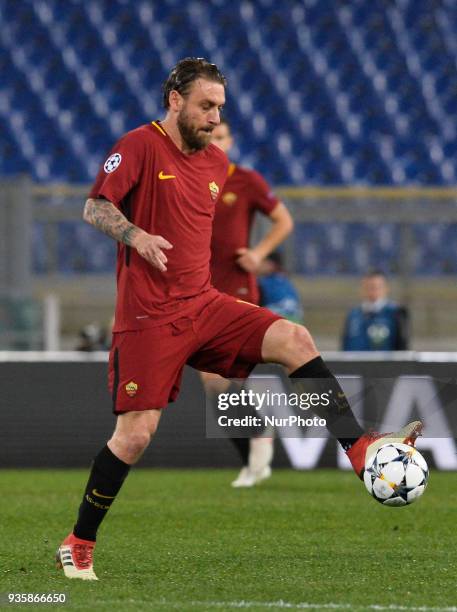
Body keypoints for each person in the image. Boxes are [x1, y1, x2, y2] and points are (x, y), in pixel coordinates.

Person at [56, 58, 422, 581]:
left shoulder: (214, 165)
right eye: (206, 106)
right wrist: (136, 236)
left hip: (204, 304)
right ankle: (79, 541)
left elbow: (245, 210)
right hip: (148, 316)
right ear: (175, 100)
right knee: (136, 435)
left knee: (294, 338)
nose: (213, 117)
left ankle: (360, 451)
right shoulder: (139, 145)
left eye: (221, 108)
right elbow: (94, 206)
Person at [203, 118, 294, 488]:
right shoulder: (189, 178)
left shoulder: (246, 180)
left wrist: (258, 255)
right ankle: (253, 453)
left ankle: (256, 443)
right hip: (202, 289)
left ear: (231, 140)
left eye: (222, 136)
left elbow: (283, 220)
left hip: (237, 288)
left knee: (219, 376)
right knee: (215, 382)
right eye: (211, 135)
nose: (216, 142)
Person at [342, 270, 410, 351]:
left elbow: (402, 349)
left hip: (385, 363)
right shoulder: (353, 314)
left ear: (386, 288)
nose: (372, 291)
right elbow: (345, 344)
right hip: (355, 362)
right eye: (368, 287)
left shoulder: (397, 313)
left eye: (376, 287)